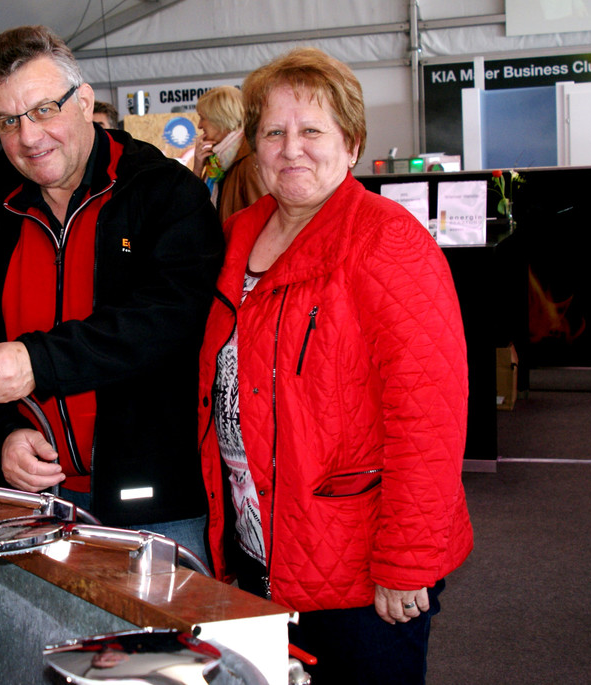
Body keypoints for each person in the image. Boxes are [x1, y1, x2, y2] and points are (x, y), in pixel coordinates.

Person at [197, 48, 473, 684]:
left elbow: (428, 416)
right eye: (274, 132)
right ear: (254, 147)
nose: (291, 149)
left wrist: (406, 561)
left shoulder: (387, 241)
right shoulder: (237, 236)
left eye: (312, 131)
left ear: (351, 145)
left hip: (358, 568)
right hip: (257, 545)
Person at [0, 25, 223, 561]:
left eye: (44, 109)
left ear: (85, 101)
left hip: (153, 504)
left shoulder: (162, 192)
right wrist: (3, 435)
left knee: (168, 621)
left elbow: (165, 322)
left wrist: (38, 361)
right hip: (39, 499)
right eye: (8, 120)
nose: (29, 137)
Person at [193, 86, 264, 222]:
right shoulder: (216, 159)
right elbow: (195, 208)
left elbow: (262, 219)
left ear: (220, 119)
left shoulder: (250, 160)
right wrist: (197, 169)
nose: (199, 125)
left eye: (202, 118)